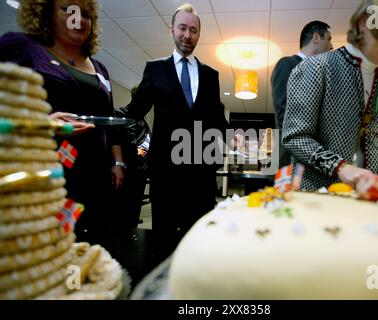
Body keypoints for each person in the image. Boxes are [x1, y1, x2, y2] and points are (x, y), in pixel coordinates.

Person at [0, 0, 125, 234]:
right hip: (49, 173)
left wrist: (117, 162)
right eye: (69, 9)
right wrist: (42, 123)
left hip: (96, 176)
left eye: (86, 14)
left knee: (93, 245)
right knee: (52, 246)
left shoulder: (100, 68)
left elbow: (110, 122)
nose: (79, 19)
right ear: (45, 11)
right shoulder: (21, 47)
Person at [116, 3, 232, 255]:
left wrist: (233, 140)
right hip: (165, 176)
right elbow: (134, 112)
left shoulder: (211, 75)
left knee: (199, 240)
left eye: (193, 30)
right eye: (182, 28)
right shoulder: (155, 69)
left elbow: (216, 119)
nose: (187, 35)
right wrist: (105, 121)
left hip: (201, 175)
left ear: (199, 35)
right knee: (163, 240)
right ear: (172, 30)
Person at [282, 0, 378, 191]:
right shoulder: (315, 68)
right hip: (315, 196)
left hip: (369, 200)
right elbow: (295, 137)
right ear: (365, 21)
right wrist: (340, 167)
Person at [271, 21, 333, 167]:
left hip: (315, 159)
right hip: (290, 158)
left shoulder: (322, 75)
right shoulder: (287, 64)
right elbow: (284, 113)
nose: (331, 46)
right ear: (316, 37)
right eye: (329, 39)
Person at [113, 84, 152, 227]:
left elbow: (145, 147)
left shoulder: (142, 121)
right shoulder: (120, 114)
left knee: (133, 215)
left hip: (140, 174)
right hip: (126, 174)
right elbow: (131, 146)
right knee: (122, 217)